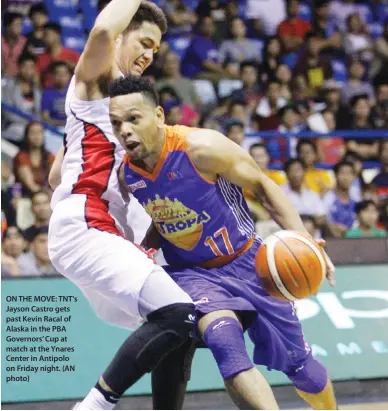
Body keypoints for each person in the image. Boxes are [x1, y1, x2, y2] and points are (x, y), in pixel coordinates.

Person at [111, 75, 337, 410]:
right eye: (116, 123)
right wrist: (144, 250)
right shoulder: (127, 175)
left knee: (303, 370)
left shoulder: (201, 148)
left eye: (133, 119)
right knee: (225, 346)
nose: (124, 130)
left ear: (158, 115)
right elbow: (166, 217)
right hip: (191, 273)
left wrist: (304, 241)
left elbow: (262, 187)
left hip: (249, 262)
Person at [47, 2, 194, 410]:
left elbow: (55, 177)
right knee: (178, 311)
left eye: (155, 50)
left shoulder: (112, 109)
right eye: (144, 42)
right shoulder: (96, 78)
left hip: (106, 232)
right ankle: (94, 406)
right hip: (87, 226)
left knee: (180, 327)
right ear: (120, 35)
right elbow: (98, 35)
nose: (149, 55)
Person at [13, 121, 55, 196]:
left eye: (39, 132)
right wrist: (47, 194)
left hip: (45, 196)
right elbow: (31, 186)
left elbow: (55, 179)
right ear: (26, 136)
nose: (37, 136)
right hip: (25, 196)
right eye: (33, 133)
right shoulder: (21, 156)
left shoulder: (49, 156)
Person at [323, 161, 357, 238]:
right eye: (342, 173)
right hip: (333, 238)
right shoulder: (328, 197)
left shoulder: (357, 197)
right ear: (336, 175)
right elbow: (324, 220)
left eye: (349, 173)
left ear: (354, 177)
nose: (346, 177)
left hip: (355, 238)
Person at [41, 61, 71, 127]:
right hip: (54, 128)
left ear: (69, 75)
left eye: (64, 73)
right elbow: (45, 116)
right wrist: (61, 123)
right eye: (58, 74)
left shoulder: (75, 91)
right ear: (52, 76)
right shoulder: (47, 93)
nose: (61, 76)